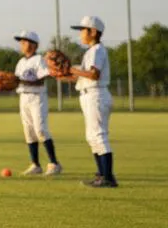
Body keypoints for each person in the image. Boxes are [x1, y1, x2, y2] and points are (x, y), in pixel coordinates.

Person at [58, 16, 117, 188]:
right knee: (92, 137)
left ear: (93, 31)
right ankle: (102, 175)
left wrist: (71, 69)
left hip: (96, 95)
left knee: (99, 136)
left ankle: (108, 178)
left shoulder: (97, 50)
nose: (80, 34)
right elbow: (83, 75)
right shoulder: (91, 51)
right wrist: (62, 74)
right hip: (90, 94)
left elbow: (94, 74)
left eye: (83, 30)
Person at [12, 31, 60, 176]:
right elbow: (15, 80)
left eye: (24, 41)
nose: (21, 44)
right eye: (21, 42)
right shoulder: (21, 62)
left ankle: (54, 164)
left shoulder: (39, 59)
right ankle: (35, 165)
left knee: (41, 130)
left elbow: (42, 78)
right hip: (23, 98)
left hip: (37, 97)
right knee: (29, 132)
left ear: (34, 45)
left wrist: (19, 81)